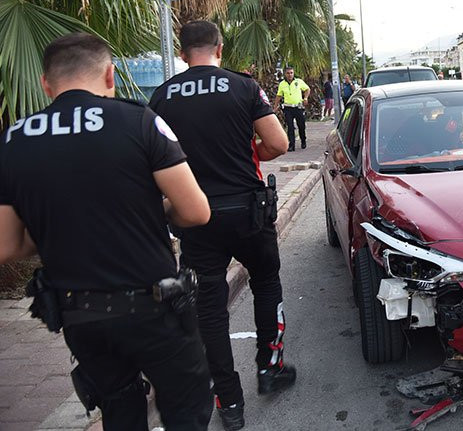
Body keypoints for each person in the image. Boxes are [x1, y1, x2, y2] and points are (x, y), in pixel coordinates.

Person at [0, 32, 213, 430]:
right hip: (153, 309)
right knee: (187, 410)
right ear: (110, 75)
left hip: (80, 315)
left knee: (119, 410)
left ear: (47, 84)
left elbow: (7, 244)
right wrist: (154, 212)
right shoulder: (138, 121)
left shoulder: (14, 139)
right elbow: (196, 211)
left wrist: (57, 229)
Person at [148, 21, 294, 431]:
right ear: (220, 48)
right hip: (248, 211)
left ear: (182, 53)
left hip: (196, 217)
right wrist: (251, 153)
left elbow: (154, 163)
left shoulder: (162, 97)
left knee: (209, 309)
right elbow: (278, 144)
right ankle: (271, 368)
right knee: (266, 283)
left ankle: (229, 401)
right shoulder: (244, 86)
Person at [273, 67, 310, 151]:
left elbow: (307, 89)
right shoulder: (282, 84)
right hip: (288, 108)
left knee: (301, 126)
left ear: (293, 73)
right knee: (290, 127)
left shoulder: (299, 81)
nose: (290, 75)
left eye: (291, 73)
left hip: (298, 107)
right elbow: (278, 96)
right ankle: (291, 145)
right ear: (285, 74)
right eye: (288, 73)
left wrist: (305, 98)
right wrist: (275, 107)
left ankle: (303, 140)